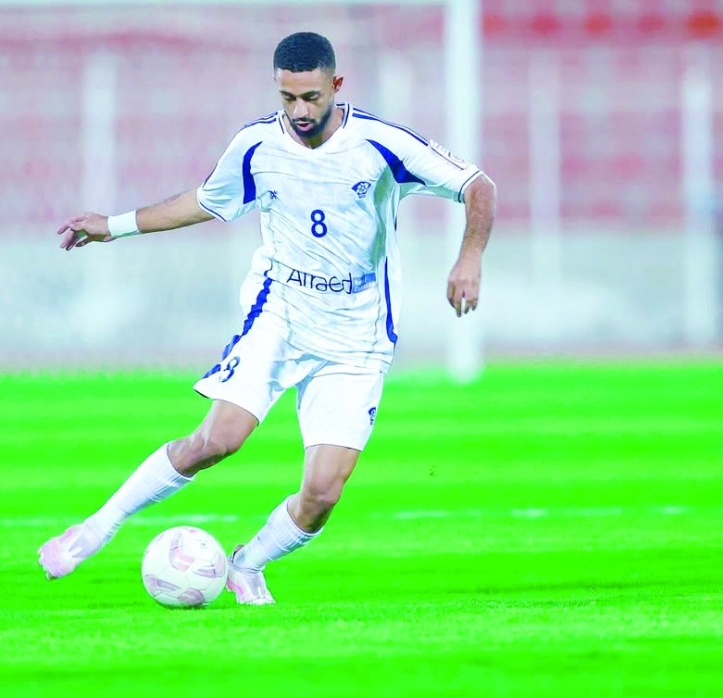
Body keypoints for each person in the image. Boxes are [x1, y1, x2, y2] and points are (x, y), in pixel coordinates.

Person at [38, 31, 497, 604]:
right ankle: (93, 531)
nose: (299, 111)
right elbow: (205, 200)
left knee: (323, 493)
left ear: (336, 85)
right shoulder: (257, 144)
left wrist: (470, 255)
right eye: (287, 98)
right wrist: (115, 224)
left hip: (357, 336)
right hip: (280, 313)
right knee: (218, 439)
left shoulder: (381, 144)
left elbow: (478, 185)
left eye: (310, 97)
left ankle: (247, 564)